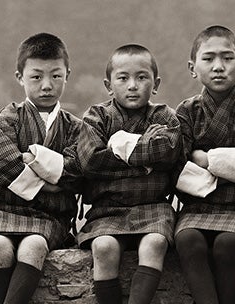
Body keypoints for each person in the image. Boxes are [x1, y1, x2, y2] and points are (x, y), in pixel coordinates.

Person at [0, 33, 83, 304]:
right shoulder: (9, 117)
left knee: (34, 246)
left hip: (50, 217)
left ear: (67, 75)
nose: (47, 85)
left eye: (56, 76)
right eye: (36, 77)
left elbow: (76, 171)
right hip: (3, 211)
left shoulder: (75, 127)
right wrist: (48, 182)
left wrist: (29, 161)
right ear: (20, 77)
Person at [76, 44, 181, 304]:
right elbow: (90, 160)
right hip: (107, 209)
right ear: (108, 85)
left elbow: (167, 153)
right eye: (123, 78)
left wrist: (116, 146)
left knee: (155, 243)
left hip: (154, 207)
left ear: (155, 84)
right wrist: (144, 155)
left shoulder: (165, 116)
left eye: (141, 77)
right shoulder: (96, 117)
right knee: (104, 247)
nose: (132, 85)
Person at [173, 25, 235, 304]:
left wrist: (202, 158)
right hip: (197, 208)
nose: (218, 66)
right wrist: (231, 166)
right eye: (208, 59)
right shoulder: (186, 112)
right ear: (193, 68)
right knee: (187, 240)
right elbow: (179, 168)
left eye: (228, 58)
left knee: (228, 244)